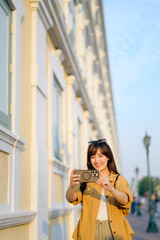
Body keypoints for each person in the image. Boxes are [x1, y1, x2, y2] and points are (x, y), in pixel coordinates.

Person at [66, 139, 134, 240]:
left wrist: (111, 189)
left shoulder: (119, 179)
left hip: (113, 231)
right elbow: (71, 199)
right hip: (89, 231)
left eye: (100, 156)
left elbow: (125, 200)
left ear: (108, 157)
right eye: (92, 157)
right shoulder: (86, 180)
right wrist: (71, 186)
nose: (97, 161)